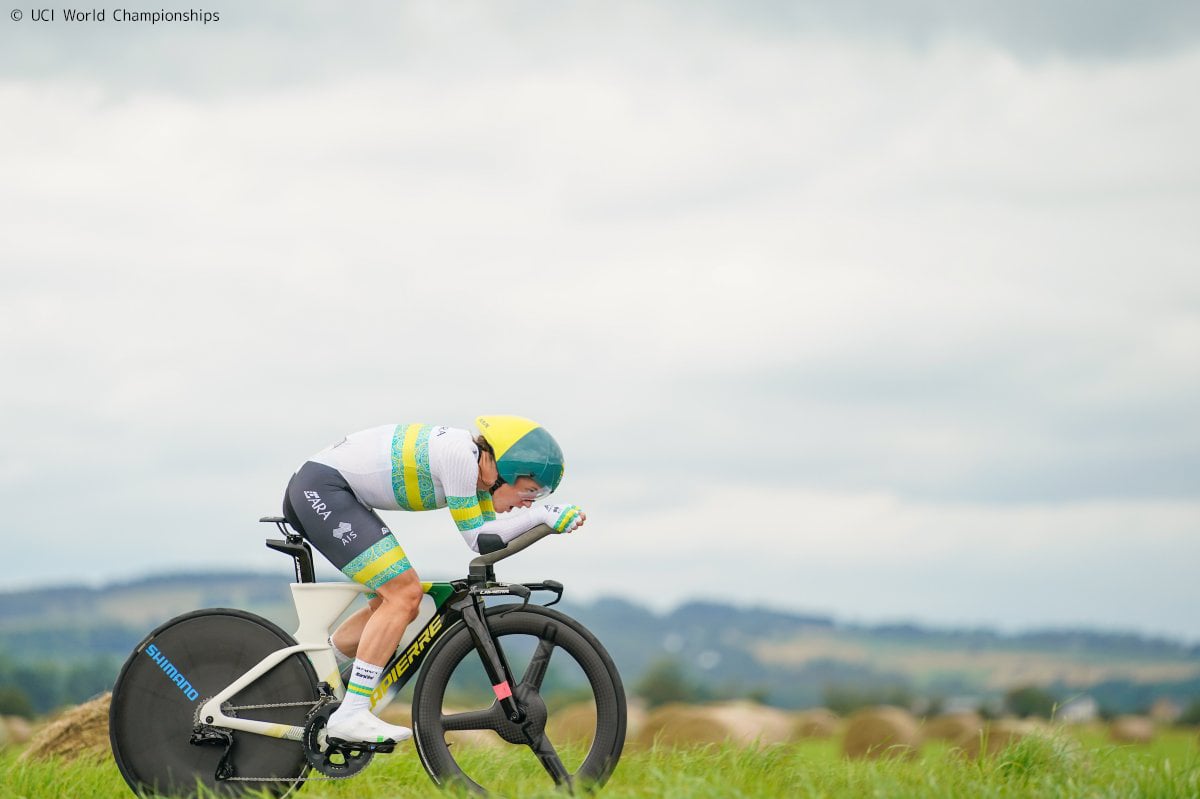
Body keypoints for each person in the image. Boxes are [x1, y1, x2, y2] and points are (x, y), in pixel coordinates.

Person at [281, 415, 586, 746]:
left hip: (328, 488)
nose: (529, 502)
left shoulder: (478, 475)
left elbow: (492, 543)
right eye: (530, 491)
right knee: (404, 595)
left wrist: (544, 521)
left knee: (398, 604)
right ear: (505, 469)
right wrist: (543, 517)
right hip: (322, 488)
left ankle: (308, 673)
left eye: (538, 497)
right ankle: (351, 713)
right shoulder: (462, 457)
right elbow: (479, 540)